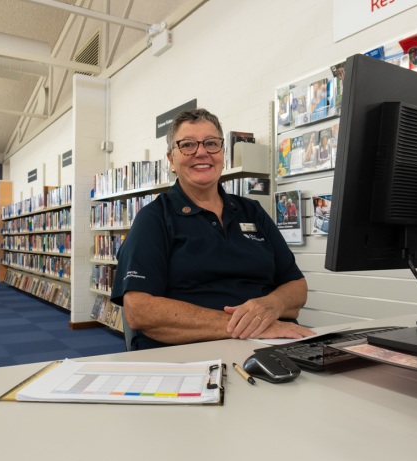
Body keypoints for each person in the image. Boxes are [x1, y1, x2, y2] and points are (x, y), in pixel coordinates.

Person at [110, 108, 314, 350]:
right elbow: (140, 311)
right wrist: (250, 326)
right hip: (191, 354)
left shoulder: (253, 212)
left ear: (222, 153)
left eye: (211, 143)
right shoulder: (153, 219)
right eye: (187, 145)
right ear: (171, 159)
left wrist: (273, 305)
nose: (202, 152)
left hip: (270, 344)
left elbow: (296, 286)